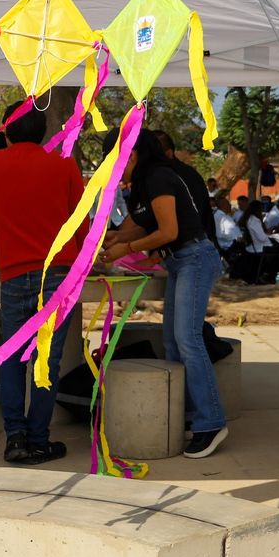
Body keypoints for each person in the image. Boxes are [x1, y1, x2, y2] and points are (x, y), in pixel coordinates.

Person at [102, 129, 228, 458]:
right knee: (172, 340)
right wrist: (109, 239)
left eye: (114, 162)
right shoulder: (142, 184)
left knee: (188, 339)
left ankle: (210, 422)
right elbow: (136, 224)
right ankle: (183, 413)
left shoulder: (157, 177)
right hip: (179, 262)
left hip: (195, 258)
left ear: (130, 155)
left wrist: (124, 247)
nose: (114, 170)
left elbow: (168, 231)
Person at [0, 103, 86, 465]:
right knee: (45, 361)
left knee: (12, 359)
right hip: (60, 274)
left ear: (5, 131)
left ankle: (15, 439)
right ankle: (39, 439)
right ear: (43, 133)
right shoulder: (65, 163)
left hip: (15, 274)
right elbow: (80, 222)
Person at [232, 196, 273, 283]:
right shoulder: (254, 220)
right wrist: (270, 235)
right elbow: (261, 238)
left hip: (254, 246)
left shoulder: (249, 219)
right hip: (260, 247)